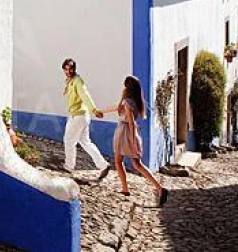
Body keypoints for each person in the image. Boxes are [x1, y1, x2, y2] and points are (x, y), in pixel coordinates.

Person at [101, 75, 169, 206]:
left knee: (119, 161)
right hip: (129, 132)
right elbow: (116, 108)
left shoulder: (127, 102)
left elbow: (131, 122)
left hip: (124, 133)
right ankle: (159, 188)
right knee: (137, 164)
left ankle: (126, 188)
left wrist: (132, 141)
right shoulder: (135, 102)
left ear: (127, 88)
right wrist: (101, 111)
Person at [61, 58, 111, 179]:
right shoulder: (70, 81)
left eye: (70, 69)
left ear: (74, 69)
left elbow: (85, 95)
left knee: (69, 140)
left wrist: (94, 109)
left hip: (78, 116)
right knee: (85, 142)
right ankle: (103, 165)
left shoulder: (78, 81)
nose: (68, 71)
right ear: (63, 69)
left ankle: (69, 166)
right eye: (66, 69)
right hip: (80, 116)